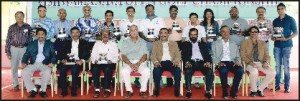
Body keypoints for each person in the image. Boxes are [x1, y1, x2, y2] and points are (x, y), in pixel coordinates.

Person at [240, 26, 276, 97]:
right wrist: (250, 63)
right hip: (249, 63)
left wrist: (266, 62)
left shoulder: (263, 43)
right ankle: (253, 90)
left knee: (272, 72)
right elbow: (242, 55)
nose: (254, 33)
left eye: (256, 32)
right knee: (254, 72)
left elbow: (267, 55)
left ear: (258, 33)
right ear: (249, 33)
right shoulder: (244, 42)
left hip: (261, 63)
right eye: (252, 32)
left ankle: (260, 89)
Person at [21, 28, 56, 98]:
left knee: (47, 72)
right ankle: (33, 89)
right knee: (24, 72)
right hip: (34, 63)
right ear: (36, 35)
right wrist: (24, 62)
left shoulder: (50, 44)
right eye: (39, 34)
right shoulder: (31, 44)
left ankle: (42, 90)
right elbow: (26, 54)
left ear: (45, 35)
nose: (40, 36)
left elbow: (53, 55)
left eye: (42, 34)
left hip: (45, 64)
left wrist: (52, 62)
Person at [211, 25, 243, 99]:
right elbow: (213, 56)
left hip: (232, 62)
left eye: (227, 31)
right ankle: (225, 92)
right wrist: (218, 62)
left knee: (240, 70)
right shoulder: (215, 43)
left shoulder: (234, 43)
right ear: (220, 33)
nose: (225, 33)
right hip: (221, 62)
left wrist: (238, 61)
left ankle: (233, 92)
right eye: (223, 31)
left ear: (230, 33)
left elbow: (238, 56)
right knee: (223, 70)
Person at [272, 3, 298, 93]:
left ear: (285, 9)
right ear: (277, 10)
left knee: (286, 66)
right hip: (277, 46)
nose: (280, 10)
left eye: (282, 8)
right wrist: (273, 37)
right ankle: (277, 85)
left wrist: (286, 38)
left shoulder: (290, 19)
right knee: (277, 66)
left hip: (287, 46)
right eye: (278, 9)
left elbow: (295, 32)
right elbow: (273, 34)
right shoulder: (275, 21)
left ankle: (287, 86)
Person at [57, 27, 89, 98]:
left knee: (74, 70)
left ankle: (73, 92)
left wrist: (82, 60)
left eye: (77, 32)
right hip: (67, 62)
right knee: (62, 70)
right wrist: (62, 59)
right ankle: (64, 91)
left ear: (79, 33)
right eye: (73, 33)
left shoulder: (84, 42)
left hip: (78, 62)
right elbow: (60, 53)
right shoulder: (66, 42)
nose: (75, 34)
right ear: (71, 34)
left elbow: (87, 54)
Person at [182, 28, 214, 99]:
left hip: (202, 62)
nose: (193, 36)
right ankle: (188, 91)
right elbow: (183, 55)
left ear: (197, 35)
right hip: (191, 62)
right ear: (189, 35)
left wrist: (208, 62)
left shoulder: (203, 44)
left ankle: (208, 91)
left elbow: (208, 55)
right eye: (191, 35)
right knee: (187, 71)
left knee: (209, 71)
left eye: (195, 34)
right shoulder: (185, 44)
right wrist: (187, 62)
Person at [120, 25, 150, 99]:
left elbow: (145, 55)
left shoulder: (143, 41)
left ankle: (142, 91)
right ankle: (129, 91)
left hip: (140, 62)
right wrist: (130, 65)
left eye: (135, 30)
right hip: (128, 62)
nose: (134, 32)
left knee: (146, 70)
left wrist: (138, 64)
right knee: (124, 71)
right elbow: (123, 56)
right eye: (132, 30)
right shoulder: (125, 42)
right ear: (129, 32)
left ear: (138, 31)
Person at [5, 11, 32, 91]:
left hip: (24, 49)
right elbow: (8, 40)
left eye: (21, 16)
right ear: (15, 17)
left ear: (23, 17)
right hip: (14, 49)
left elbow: (30, 39)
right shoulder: (11, 27)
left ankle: (25, 84)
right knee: (14, 67)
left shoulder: (28, 27)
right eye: (18, 16)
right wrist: (8, 52)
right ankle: (15, 84)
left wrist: (29, 51)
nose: (19, 18)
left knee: (25, 67)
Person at [151, 28, 182, 98]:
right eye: (161, 33)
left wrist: (176, 61)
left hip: (172, 63)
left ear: (168, 34)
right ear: (159, 34)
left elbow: (178, 54)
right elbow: (153, 54)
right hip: (160, 63)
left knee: (177, 70)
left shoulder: (174, 43)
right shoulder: (155, 43)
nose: (163, 34)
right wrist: (155, 62)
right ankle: (156, 90)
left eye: (165, 33)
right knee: (156, 71)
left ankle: (177, 90)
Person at [195, 8, 219, 88]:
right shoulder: (202, 24)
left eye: (210, 14)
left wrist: (214, 37)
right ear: (205, 15)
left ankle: (209, 80)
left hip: (213, 44)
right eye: (207, 14)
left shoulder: (215, 23)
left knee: (212, 62)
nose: (209, 15)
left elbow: (218, 34)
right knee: (201, 61)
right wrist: (206, 37)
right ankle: (197, 81)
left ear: (212, 15)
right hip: (204, 44)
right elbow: (200, 34)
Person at [32, 5, 55, 87]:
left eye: (44, 10)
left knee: (46, 62)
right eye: (40, 10)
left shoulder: (50, 21)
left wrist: (43, 38)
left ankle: (48, 82)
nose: (42, 12)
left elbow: (53, 32)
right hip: (37, 44)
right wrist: (35, 35)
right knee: (37, 60)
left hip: (47, 44)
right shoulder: (34, 21)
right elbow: (32, 32)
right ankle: (37, 83)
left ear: (46, 11)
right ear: (38, 11)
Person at [90, 30, 118, 98]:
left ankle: (107, 89)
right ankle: (97, 89)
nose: (105, 35)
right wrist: (95, 60)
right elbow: (93, 54)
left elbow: (116, 56)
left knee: (108, 69)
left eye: (106, 34)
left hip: (109, 63)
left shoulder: (113, 44)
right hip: (98, 63)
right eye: (103, 34)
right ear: (101, 36)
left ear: (109, 36)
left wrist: (112, 61)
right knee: (95, 69)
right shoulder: (97, 43)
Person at [119, 6, 143, 88]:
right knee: (127, 60)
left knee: (137, 59)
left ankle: (137, 80)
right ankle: (126, 82)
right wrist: (125, 34)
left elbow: (140, 33)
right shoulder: (122, 23)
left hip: (136, 43)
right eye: (128, 11)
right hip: (126, 44)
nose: (130, 12)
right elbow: (121, 34)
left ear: (134, 12)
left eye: (132, 11)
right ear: (126, 12)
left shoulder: (138, 22)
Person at [163, 5, 185, 88]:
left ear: (177, 12)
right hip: (168, 43)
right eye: (172, 10)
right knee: (169, 59)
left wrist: (180, 30)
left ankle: (177, 80)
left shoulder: (180, 20)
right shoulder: (165, 20)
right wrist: (167, 31)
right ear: (169, 12)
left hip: (179, 43)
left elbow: (185, 31)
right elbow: (162, 31)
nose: (173, 12)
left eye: (175, 10)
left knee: (177, 60)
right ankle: (169, 80)